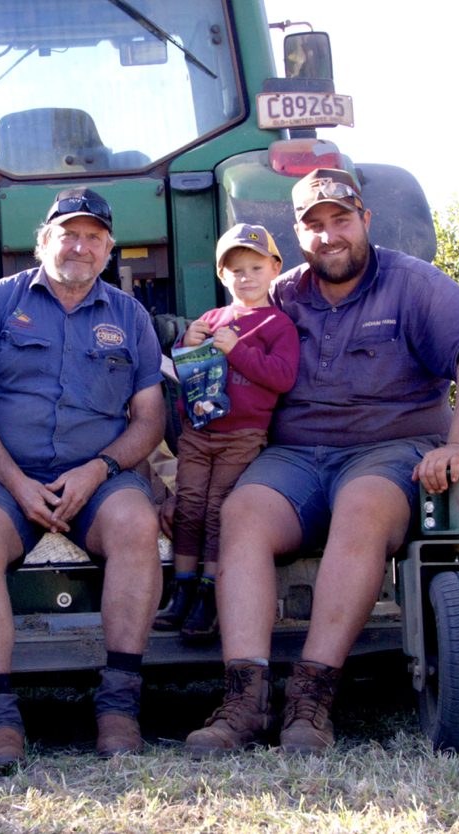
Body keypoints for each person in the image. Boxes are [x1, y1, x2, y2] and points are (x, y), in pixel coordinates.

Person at [185, 169, 459, 756]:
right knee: (244, 514)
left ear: (365, 220)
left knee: (362, 508)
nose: (329, 236)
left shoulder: (414, 284)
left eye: (341, 219)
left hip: (390, 450)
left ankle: (311, 700)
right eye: (314, 226)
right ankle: (244, 702)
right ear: (298, 235)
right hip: (294, 455)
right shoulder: (278, 292)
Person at [0, 187, 167, 771]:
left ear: (109, 250)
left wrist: (100, 469)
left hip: (100, 479)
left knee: (138, 526)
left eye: (94, 237)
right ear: (43, 242)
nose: (80, 247)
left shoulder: (130, 315)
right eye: (68, 233)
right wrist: (16, 484)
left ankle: (119, 705)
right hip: (7, 476)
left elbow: (150, 419)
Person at [155, 225, 298, 643]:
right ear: (222, 276)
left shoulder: (278, 325)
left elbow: (283, 377)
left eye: (256, 267)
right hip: (198, 433)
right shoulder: (211, 319)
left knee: (220, 508)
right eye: (236, 270)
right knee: (189, 505)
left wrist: (238, 349)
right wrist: (187, 341)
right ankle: (181, 590)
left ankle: (210, 594)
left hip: (243, 435)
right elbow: (187, 372)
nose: (246, 276)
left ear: (275, 269)